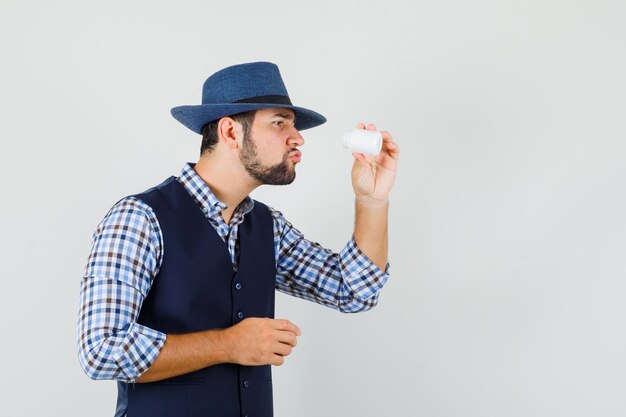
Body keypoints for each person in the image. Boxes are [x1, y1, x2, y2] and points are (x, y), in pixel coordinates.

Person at [77, 61, 399, 417]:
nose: (298, 137)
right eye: (280, 122)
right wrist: (229, 344)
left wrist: (372, 200)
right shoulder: (140, 218)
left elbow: (353, 290)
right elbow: (101, 350)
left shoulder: (266, 226)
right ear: (230, 132)